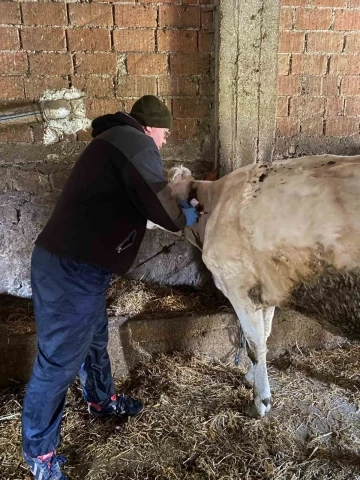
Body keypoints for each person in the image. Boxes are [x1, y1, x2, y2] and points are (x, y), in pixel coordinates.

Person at [21, 95, 198, 480]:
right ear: (150, 128)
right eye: (164, 134)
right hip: (71, 270)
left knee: (95, 338)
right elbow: (162, 208)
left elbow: (135, 201)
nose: (164, 142)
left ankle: (101, 401)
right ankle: (39, 454)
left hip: (80, 267)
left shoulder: (114, 139)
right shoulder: (135, 143)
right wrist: (189, 209)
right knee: (57, 363)